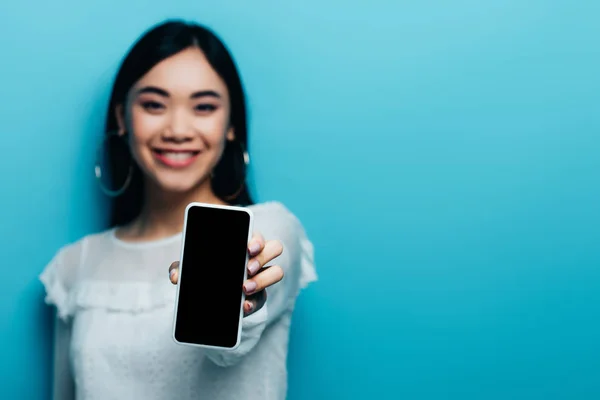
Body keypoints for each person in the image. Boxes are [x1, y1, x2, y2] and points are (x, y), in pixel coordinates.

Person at [39, 19, 317, 400]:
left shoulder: (266, 230)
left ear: (231, 124)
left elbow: (226, 348)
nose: (177, 129)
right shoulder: (74, 265)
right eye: (154, 104)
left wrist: (241, 306)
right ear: (123, 119)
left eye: (203, 107)